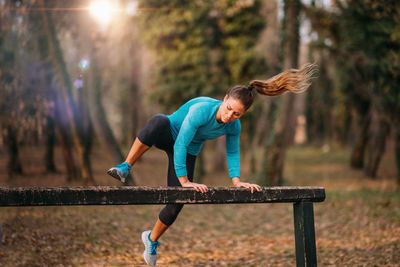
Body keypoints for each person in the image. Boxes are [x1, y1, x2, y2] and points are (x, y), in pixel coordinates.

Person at [107, 63, 317, 266]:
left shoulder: (234, 126)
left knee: (177, 202)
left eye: (237, 114)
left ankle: (151, 240)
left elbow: (233, 151)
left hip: (188, 150)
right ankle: (126, 166)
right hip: (170, 133)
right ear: (224, 99)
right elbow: (180, 141)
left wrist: (237, 181)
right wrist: (185, 180)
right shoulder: (201, 110)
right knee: (158, 120)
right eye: (228, 109)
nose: (229, 116)